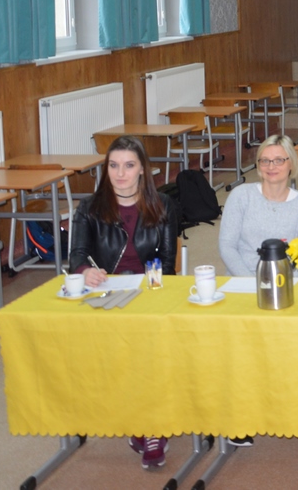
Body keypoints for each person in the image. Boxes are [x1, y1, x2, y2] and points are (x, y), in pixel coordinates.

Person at [68, 135, 179, 470]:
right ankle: (140, 421)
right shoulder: (89, 208)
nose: (120, 174)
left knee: (148, 347)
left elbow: (168, 264)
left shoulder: (163, 205)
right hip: (106, 294)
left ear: (142, 169)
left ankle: (150, 427)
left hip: (149, 293)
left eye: (129, 166)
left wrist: (152, 289)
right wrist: (86, 271)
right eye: (113, 166)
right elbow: (76, 258)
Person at [218, 133, 298, 277]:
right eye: (265, 160)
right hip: (242, 279)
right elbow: (227, 246)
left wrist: (284, 285)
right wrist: (251, 283)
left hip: (285, 281)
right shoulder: (241, 195)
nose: (271, 166)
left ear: (291, 163)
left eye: (279, 160)